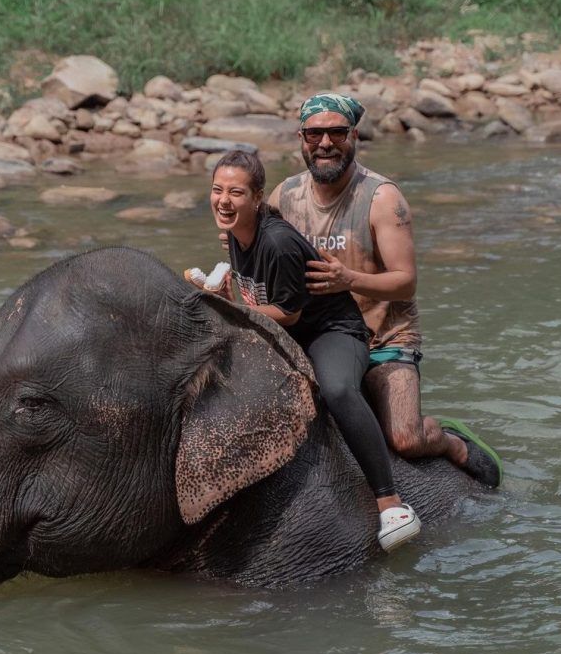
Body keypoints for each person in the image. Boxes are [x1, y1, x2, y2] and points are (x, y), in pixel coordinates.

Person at [267, 92, 502, 487]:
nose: (325, 144)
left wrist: (349, 280)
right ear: (301, 138)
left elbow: (405, 280)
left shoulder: (381, 198)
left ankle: (450, 442)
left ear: (354, 135)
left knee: (405, 439)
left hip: (384, 340)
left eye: (337, 133)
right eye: (314, 134)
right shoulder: (284, 197)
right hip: (319, 337)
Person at [197, 149, 422, 552]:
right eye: (217, 191)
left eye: (235, 192)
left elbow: (286, 311)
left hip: (332, 331)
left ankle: (390, 501)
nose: (224, 201)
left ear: (257, 197)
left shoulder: (278, 243)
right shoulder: (236, 230)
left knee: (336, 390)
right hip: (292, 330)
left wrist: (229, 309)